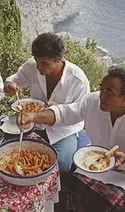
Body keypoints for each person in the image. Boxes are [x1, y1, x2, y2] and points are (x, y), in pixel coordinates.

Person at [18, 65, 125, 212]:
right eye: (102, 89)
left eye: (109, 93)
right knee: (65, 186)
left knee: (112, 206)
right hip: (93, 164)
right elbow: (65, 113)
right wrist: (33, 116)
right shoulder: (92, 101)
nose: (102, 96)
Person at [5, 32, 90, 171]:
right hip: (33, 124)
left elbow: (81, 113)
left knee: (61, 164)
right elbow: (14, 79)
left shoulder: (78, 80)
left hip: (63, 130)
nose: (38, 67)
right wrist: (9, 85)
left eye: (44, 63)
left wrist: (57, 110)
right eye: (37, 61)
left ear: (59, 59)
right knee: (12, 152)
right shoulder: (32, 66)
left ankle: (55, 190)